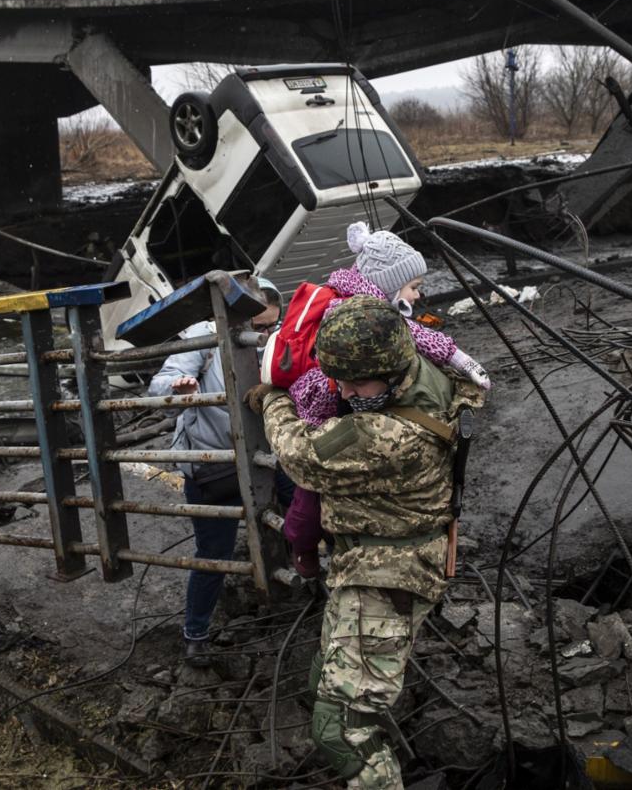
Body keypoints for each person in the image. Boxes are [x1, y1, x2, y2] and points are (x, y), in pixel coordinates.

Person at [251, 296, 485, 789]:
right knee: (326, 681)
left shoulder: (391, 433)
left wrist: (274, 397)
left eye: (359, 383)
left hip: (387, 577)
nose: (346, 391)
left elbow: (300, 455)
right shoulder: (422, 371)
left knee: (341, 730)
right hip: (372, 564)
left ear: (394, 370)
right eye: (341, 379)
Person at [283, 221, 490, 577]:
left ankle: (317, 545)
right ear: (389, 284)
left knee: (326, 483)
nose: (418, 295)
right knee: (311, 484)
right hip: (327, 403)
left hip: (348, 403)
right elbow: (411, 334)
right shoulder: (357, 314)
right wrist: (456, 356)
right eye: (413, 287)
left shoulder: (371, 308)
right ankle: (303, 549)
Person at [146, 276, 292, 667]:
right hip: (214, 465)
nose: (263, 336)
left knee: (301, 513)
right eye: (256, 327)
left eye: (270, 327)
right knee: (214, 551)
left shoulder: (277, 341)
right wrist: (179, 389)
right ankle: (195, 634)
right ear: (232, 318)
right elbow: (158, 387)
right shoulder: (203, 338)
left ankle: (300, 580)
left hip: (268, 457)